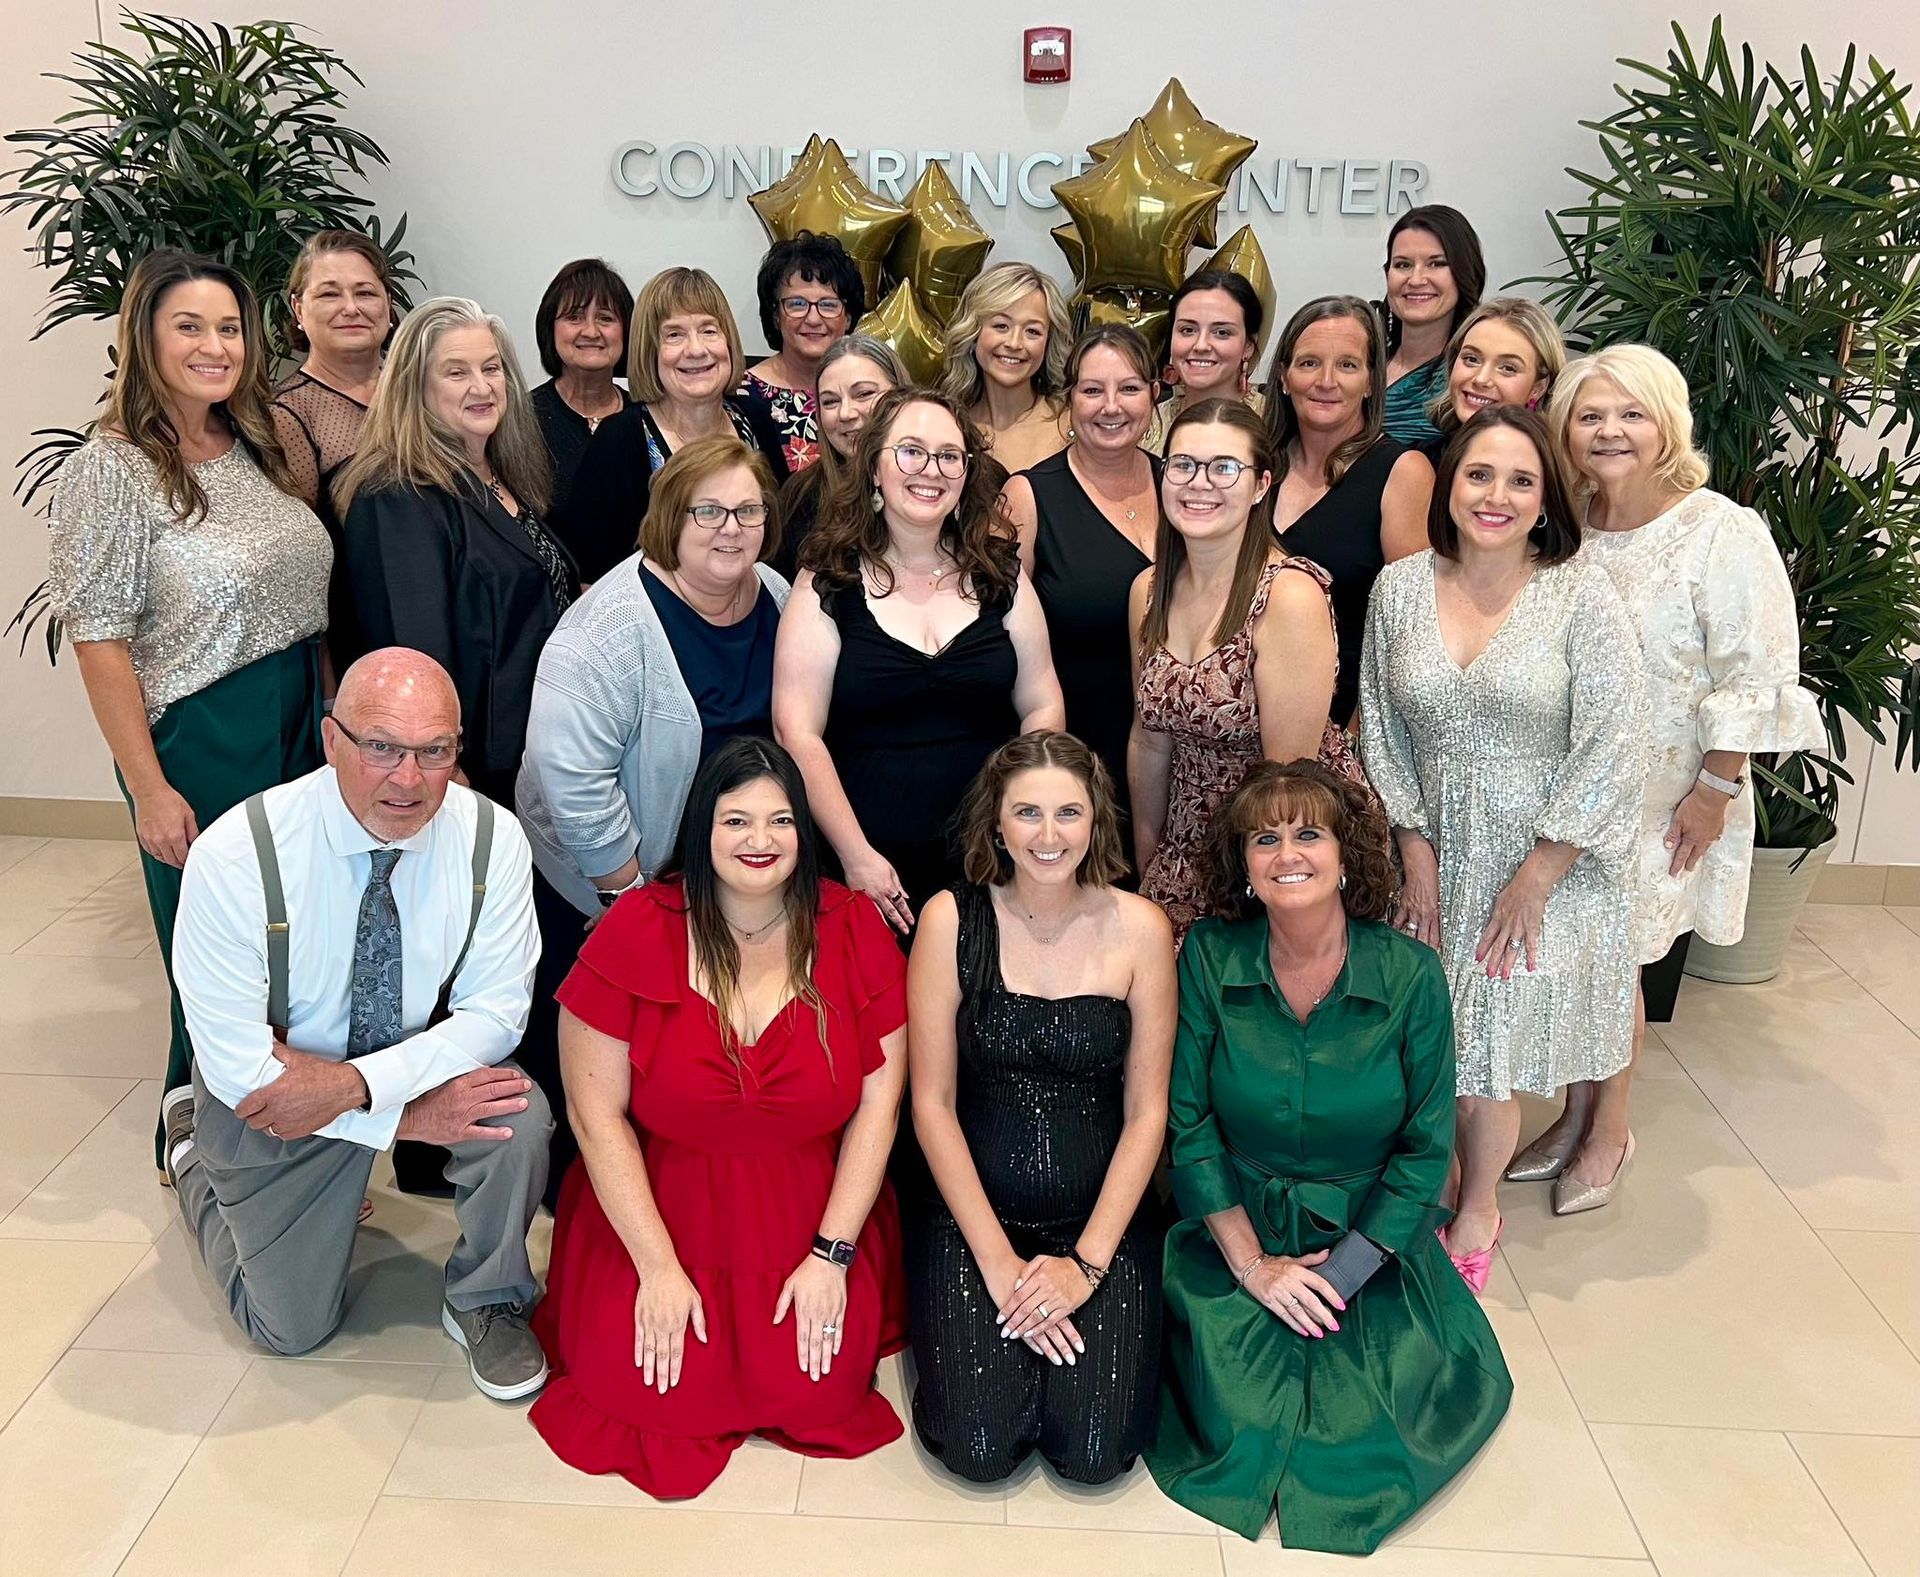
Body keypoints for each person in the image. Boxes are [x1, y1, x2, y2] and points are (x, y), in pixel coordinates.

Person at [162, 649, 551, 1400]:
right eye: (381, 747)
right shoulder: (236, 856)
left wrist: (360, 1090)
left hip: (367, 1077)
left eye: (435, 751)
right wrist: (403, 1119)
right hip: (273, 1103)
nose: (409, 779)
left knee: (517, 1112)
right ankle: (191, 1157)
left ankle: (488, 1297)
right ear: (331, 740)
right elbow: (245, 1072)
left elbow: (498, 1011)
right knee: (289, 1329)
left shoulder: (492, 839)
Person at [1145, 760, 1512, 1553]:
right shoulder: (1207, 954)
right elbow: (1190, 1123)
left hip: (1369, 1239)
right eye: (1264, 839)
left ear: (1347, 854)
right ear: (1243, 866)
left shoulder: (1412, 974)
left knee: (1363, 1428)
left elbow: (1426, 1146)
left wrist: (1338, 1275)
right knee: (1236, 1413)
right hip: (1236, 1226)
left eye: (1308, 832)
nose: (1287, 853)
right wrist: (1254, 1267)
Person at [530, 737, 910, 1496]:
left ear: (804, 830)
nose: (759, 840)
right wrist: (656, 1268)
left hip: (808, 1219)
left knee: (819, 1396)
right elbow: (594, 1114)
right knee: (645, 1401)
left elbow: (880, 1104)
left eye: (780, 820)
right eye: (736, 821)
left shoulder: (854, 928)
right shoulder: (638, 926)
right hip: (660, 1214)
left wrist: (831, 1256)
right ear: (702, 827)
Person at [1523, 345, 1823, 1212]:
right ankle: (1575, 1113)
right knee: (1579, 960)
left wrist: (1715, 791)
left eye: (1631, 414)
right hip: (1574, 792)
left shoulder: (1719, 530)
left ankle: (1610, 1131)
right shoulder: (1566, 526)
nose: (1609, 431)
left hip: (1666, 800)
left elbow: (1755, 671)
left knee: (1616, 965)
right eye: (1589, 416)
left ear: (1667, 424)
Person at [49, 248, 331, 1167]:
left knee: (291, 942)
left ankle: (288, 1130)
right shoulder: (112, 468)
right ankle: (208, 1134)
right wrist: (148, 787)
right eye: (190, 327)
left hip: (297, 715)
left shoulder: (251, 444)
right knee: (220, 946)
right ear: (146, 337)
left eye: (229, 328)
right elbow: (99, 635)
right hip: (204, 732)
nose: (216, 346)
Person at [1358, 407, 1647, 1286]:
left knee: (1488, 1044)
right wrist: (1413, 848)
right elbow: (1379, 726)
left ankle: (1478, 1203)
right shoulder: (1398, 587)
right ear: (1449, 483)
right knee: (1428, 1034)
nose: (1497, 495)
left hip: (1542, 854)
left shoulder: (1582, 595)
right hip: (1431, 845)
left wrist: (1538, 874)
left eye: (1522, 480)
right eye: (1480, 473)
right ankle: (1434, 1179)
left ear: (1546, 498)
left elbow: (1613, 739)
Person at [517, 436, 791, 1205]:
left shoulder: (774, 592)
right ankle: (589, 1202)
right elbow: (572, 781)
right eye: (709, 511)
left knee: (689, 1059)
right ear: (670, 516)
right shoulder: (605, 629)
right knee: (606, 1053)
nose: (731, 528)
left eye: (748, 510)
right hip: (611, 875)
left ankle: (688, 1193)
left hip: (729, 868)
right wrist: (628, 899)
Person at [905, 732, 1174, 1484]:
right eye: (1027, 812)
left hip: (1100, 1220)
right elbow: (931, 1103)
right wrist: (997, 1262)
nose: (1048, 834)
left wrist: (1085, 1265)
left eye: (1068, 812)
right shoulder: (949, 919)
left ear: (1096, 821)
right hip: (972, 1218)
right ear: (996, 823)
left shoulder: (1143, 929)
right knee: (978, 1448)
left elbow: (1147, 1113)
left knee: (1096, 1454)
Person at [775, 388, 1064, 936]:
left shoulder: (1001, 574)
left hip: (990, 861)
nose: (931, 470)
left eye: (949, 455)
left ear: (965, 474)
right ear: (874, 467)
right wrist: (857, 856)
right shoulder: (826, 580)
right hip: (867, 870)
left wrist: (1023, 817)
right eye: (911, 451)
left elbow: (1043, 704)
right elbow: (796, 731)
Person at [1130, 399, 1365, 944]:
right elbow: (1148, 739)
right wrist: (1151, 863)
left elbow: (1288, 779)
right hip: (1184, 842)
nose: (1199, 483)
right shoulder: (1148, 591)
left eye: (1224, 468)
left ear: (1261, 485)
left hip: (1277, 848)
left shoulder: (1289, 595)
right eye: (1183, 465)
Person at [334, 295, 573, 811]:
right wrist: (441, 763)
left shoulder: (501, 475)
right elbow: (412, 648)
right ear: (415, 388)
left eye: (491, 368)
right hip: (467, 769)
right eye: (457, 372)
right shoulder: (397, 494)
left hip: (530, 749)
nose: (482, 386)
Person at [999, 325, 1160, 822]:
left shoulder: (1182, 483)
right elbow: (994, 640)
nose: (1111, 406)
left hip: (1180, 758)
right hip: (1074, 762)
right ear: (1068, 399)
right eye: (1092, 390)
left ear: (1154, 395)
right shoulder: (1027, 497)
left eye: (1129, 388)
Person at [557, 267, 790, 585]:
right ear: (650, 350)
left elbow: (782, 542)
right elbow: (590, 579)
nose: (696, 349)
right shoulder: (618, 440)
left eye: (709, 330)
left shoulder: (755, 419)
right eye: (674, 335)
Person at [1266, 295, 1433, 727]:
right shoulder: (1256, 465)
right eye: (1309, 363)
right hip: (1241, 716)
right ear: (1283, 377)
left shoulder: (1403, 472)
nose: (1326, 381)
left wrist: (1357, 736)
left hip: (1346, 724)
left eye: (1347, 365)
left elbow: (1408, 631)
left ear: (1372, 382)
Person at [269, 229, 397, 534]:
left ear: (388, 303)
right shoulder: (285, 415)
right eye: (329, 294)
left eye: (365, 293)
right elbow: (300, 544)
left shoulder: (423, 387)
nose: (351, 308)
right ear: (299, 309)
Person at [771, 333, 906, 580]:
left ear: (901, 395)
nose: (846, 413)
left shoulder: (938, 479)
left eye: (863, 394)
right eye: (830, 401)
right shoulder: (799, 496)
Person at [737, 232, 866, 474]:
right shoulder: (742, 398)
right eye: (797, 304)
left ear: (848, 316)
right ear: (776, 316)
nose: (813, 319)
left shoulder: (871, 392)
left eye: (828, 304)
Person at [938, 261, 1073, 475]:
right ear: (973, 333)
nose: (1014, 343)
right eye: (1001, 326)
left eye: (1032, 331)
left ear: (1048, 343)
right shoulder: (948, 427)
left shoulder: (1072, 425)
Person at [529, 258, 635, 520]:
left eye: (605, 318)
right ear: (550, 328)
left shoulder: (647, 419)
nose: (590, 331)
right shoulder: (521, 421)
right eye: (574, 317)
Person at [1379, 204, 1487, 446]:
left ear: (1464, 273)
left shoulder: (1472, 379)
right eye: (1403, 265)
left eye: (1436, 264)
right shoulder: (1365, 360)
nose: (1416, 280)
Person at [1419, 296, 1568, 462]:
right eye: (1471, 359)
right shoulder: (1420, 459)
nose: (1481, 379)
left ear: (1538, 388)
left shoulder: (1552, 469)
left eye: (1508, 368)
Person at [1143, 269, 1266, 452]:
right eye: (1188, 330)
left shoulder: (1274, 422)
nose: (1201, 345)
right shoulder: (1146, 424)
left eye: (1221, 332)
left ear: (1248, 345)